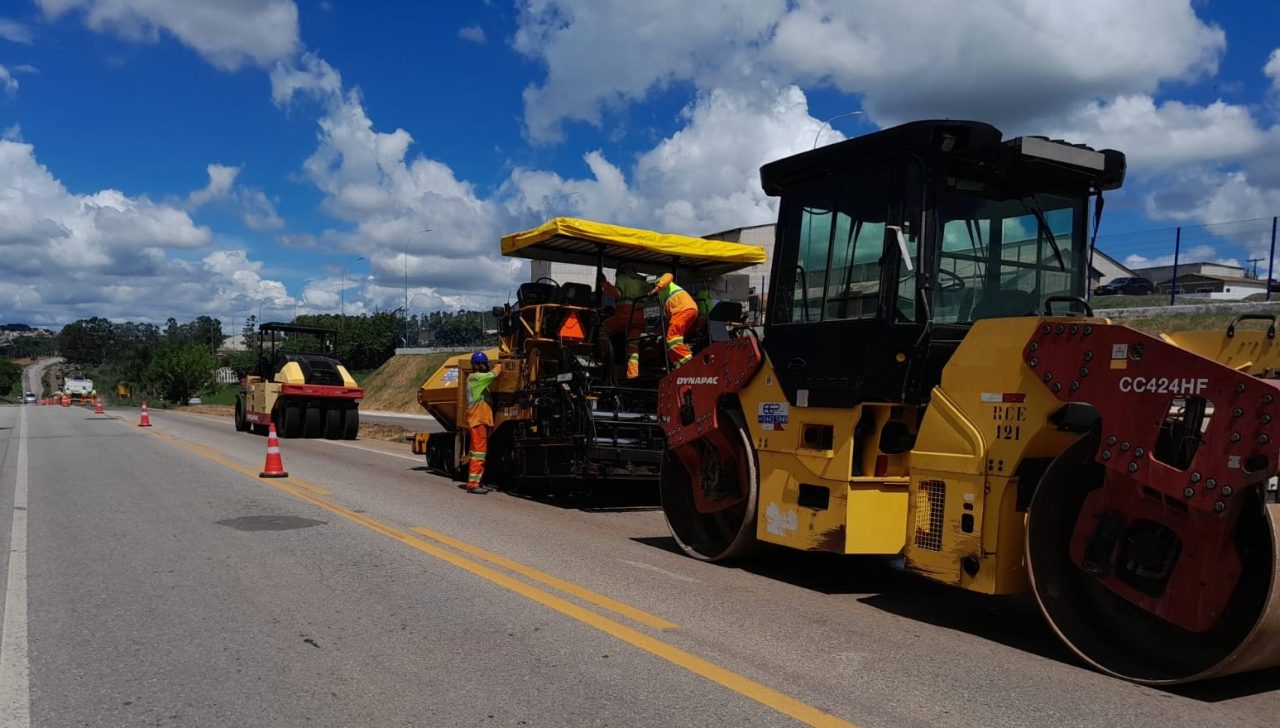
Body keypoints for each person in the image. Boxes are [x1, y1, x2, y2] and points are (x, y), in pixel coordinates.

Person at [601, 264, 650, 378]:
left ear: (621, 270)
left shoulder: (622, 278)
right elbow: (653, 295)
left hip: (624, 318)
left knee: (604, 328)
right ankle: (633, 374)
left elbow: (617, 293)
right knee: (633, 345)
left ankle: (605, 354)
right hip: (639, 320)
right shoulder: (643, 282)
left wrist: (604, 283)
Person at [464, 351, 503, 494]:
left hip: (481, 421)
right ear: (478, 365)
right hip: (478, 421)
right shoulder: (476, 378)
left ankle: (479, 482)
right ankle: (473, 484)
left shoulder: (479, 381)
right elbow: (492, 375)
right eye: (484, 364)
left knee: (480, 453)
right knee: (479, 453)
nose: (486, 366)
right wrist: (500, 365)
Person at [649, 272, 698, 367]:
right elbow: (670, 320)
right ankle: (678, 364)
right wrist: (659, 332)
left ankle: (689, 363)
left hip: (683, 309)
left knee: (672, 338)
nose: (654, 298)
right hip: (686, 310)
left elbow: (669, 275)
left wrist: (656, 289)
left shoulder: (662, 282)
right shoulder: (665, 299)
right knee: (670, 341)